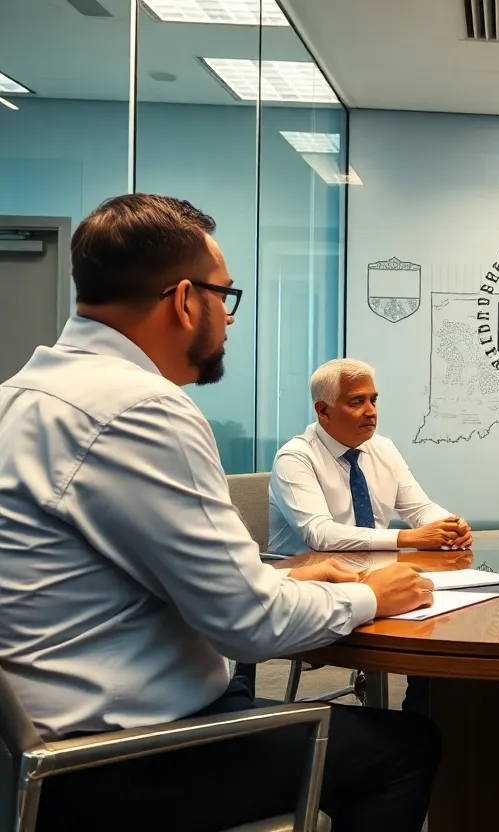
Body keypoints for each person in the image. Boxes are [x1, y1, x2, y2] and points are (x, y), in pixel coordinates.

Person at [0, 194, 441, 831]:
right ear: (184, 300)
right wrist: (373, 596)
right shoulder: (141, 410)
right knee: (404, 748)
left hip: (40, 742)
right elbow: (248, 625)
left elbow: (148, 574)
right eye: (224, 298)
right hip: (113, 758)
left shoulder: (25, 393)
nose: (229, 321)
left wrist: (286, 579)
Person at [268, 357, 472, 555]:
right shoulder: (295, 457)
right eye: (357, 402)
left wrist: (449, 526)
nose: (371, 411)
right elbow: (320, 534)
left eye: (373, 400)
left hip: (375, 571)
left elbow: (419, 509)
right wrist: (407, 538)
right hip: (306, 579)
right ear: (323, 411)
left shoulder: (383, 448)